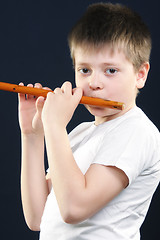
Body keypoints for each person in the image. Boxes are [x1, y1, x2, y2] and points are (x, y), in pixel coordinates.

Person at [18, 2, 160, 240]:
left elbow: (74, 208)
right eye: (84, 70)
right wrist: (33, 135)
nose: (94, 83)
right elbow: (37, 218)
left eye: (110, 71)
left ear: (140, 74)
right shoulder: (81, 132)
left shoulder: (137, 131)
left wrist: (55, 126)